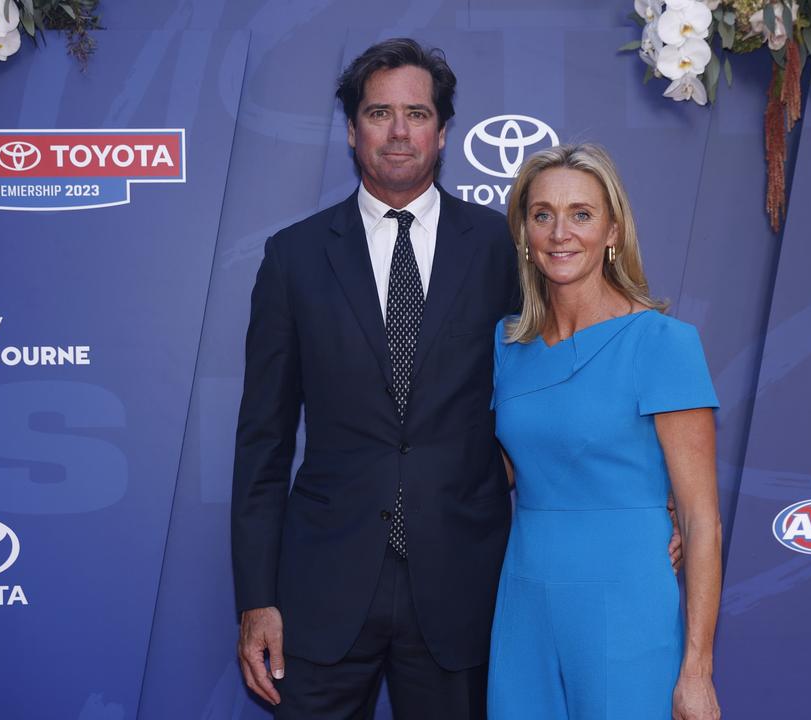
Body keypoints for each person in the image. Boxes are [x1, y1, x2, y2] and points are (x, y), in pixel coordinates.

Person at [229, 38, 520, 719]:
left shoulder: (501, 250)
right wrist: (256, 598)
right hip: (322, 589)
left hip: (462, 585)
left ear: (443, 131)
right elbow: (262, 443)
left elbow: (554, 393)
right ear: (353, 129)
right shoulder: (294, 258)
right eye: (378, 112)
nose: (398, 130)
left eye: (416, 112)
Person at [487, 144, 723, 720]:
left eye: (582, 214)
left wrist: (697, 669)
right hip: (524, 598)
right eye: (542, 214)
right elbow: (500, 473)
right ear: (524, 231)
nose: (560, 232)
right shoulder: (506, 345)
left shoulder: (662, 343)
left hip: (628, 598)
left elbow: (700, 519)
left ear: (613, 231)